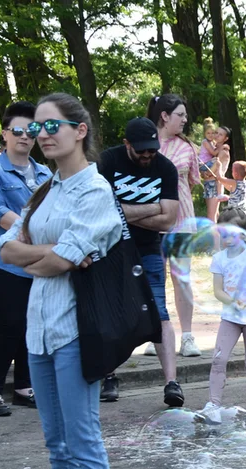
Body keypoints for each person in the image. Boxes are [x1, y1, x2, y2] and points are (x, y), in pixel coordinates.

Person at [0, 92, 120, 469]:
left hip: (76, 328)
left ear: (80, 130)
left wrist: (43, 254)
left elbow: (55, 262)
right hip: (39, 328)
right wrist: (50, 253)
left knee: (84, 438)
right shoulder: (44, 190)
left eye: (52, 127)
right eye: (34, 129)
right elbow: (8, 250)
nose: (40, 135)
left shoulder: (95, 191)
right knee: (56, 441)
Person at [96, 117, 185, 408]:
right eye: (141, 150)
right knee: (110, 312)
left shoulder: (165, 167)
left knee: (160, 312)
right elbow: (103, 211)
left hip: (148, 251)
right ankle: (108, 376)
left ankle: (172, 382)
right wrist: (153, 207)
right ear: (127, 144)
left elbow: (169, 219)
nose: (148, 155)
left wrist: (124, 211)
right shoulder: (108, 161)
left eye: (152, 150)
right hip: (111, 249)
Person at [0, 100, 52, 417]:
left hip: (38, 263)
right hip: (5, 262)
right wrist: (36, 235)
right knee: (9, 324)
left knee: (33, 324)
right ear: (5, 134)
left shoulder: (46, 172)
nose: (25, 136)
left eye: (32, 130)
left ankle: (23, 387)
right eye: (18, 131)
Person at [199, 208, 246, 426]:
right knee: (219, 358)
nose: (227, 239)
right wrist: (233, 301)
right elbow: (218, 291)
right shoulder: (219, 258)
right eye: (223, 234)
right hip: (231, 317)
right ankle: (213, 405)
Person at [147, 94, 203, 359]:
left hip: (181, 221)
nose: (185, 119)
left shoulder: (187, 147)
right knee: (153, 279)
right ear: (164, 116)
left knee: (181, 277)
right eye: (180, 114)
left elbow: (192, 182)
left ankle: (188, 336)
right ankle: (156, 333)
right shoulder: (145, 144)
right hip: (150, 222)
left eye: (185, 115)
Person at [199, 119, 221, 221]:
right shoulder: (205, 142)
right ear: (204, 134)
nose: (211, 135)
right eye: (208, 133)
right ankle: (209, 173)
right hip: (204, 165)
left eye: (213, 133)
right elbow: (213, 152)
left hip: (208, 164)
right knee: (217, 160)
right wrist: (220, 147)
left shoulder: (212, 142)